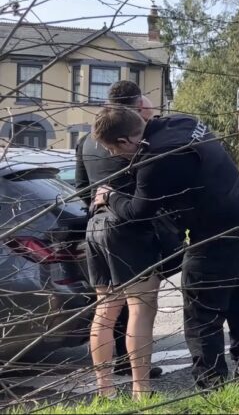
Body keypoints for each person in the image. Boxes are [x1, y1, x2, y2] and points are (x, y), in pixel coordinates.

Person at [91, 107, 239, 389]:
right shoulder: (182, 122)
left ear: (125, 141)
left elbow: (137, 211)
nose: (113, 155)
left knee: (201, 308)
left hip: (216, 232)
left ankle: (211, 384)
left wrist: (110, 197)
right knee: (238, 292)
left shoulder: (156, 158)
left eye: (112, 149)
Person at [75, 81, 176, 398]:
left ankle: (105, 390)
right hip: (130, 229)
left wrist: (99, 203)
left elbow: (81, 188)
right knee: (140, 309)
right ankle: (140, 389)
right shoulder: (139, 139)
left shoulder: (86, 140)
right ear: (137, 107)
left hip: (95, 226)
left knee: (105, 311)